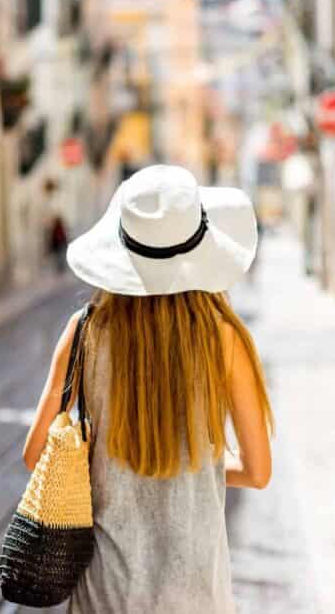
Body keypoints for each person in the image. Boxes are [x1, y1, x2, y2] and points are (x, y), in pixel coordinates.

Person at [23, 165, 274, 613]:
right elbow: (257, 471)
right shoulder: (224, 338)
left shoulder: (83, 332)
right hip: (197, 592)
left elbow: (34, 454)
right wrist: (197, 468)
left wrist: (108, 467)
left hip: (105, 591)